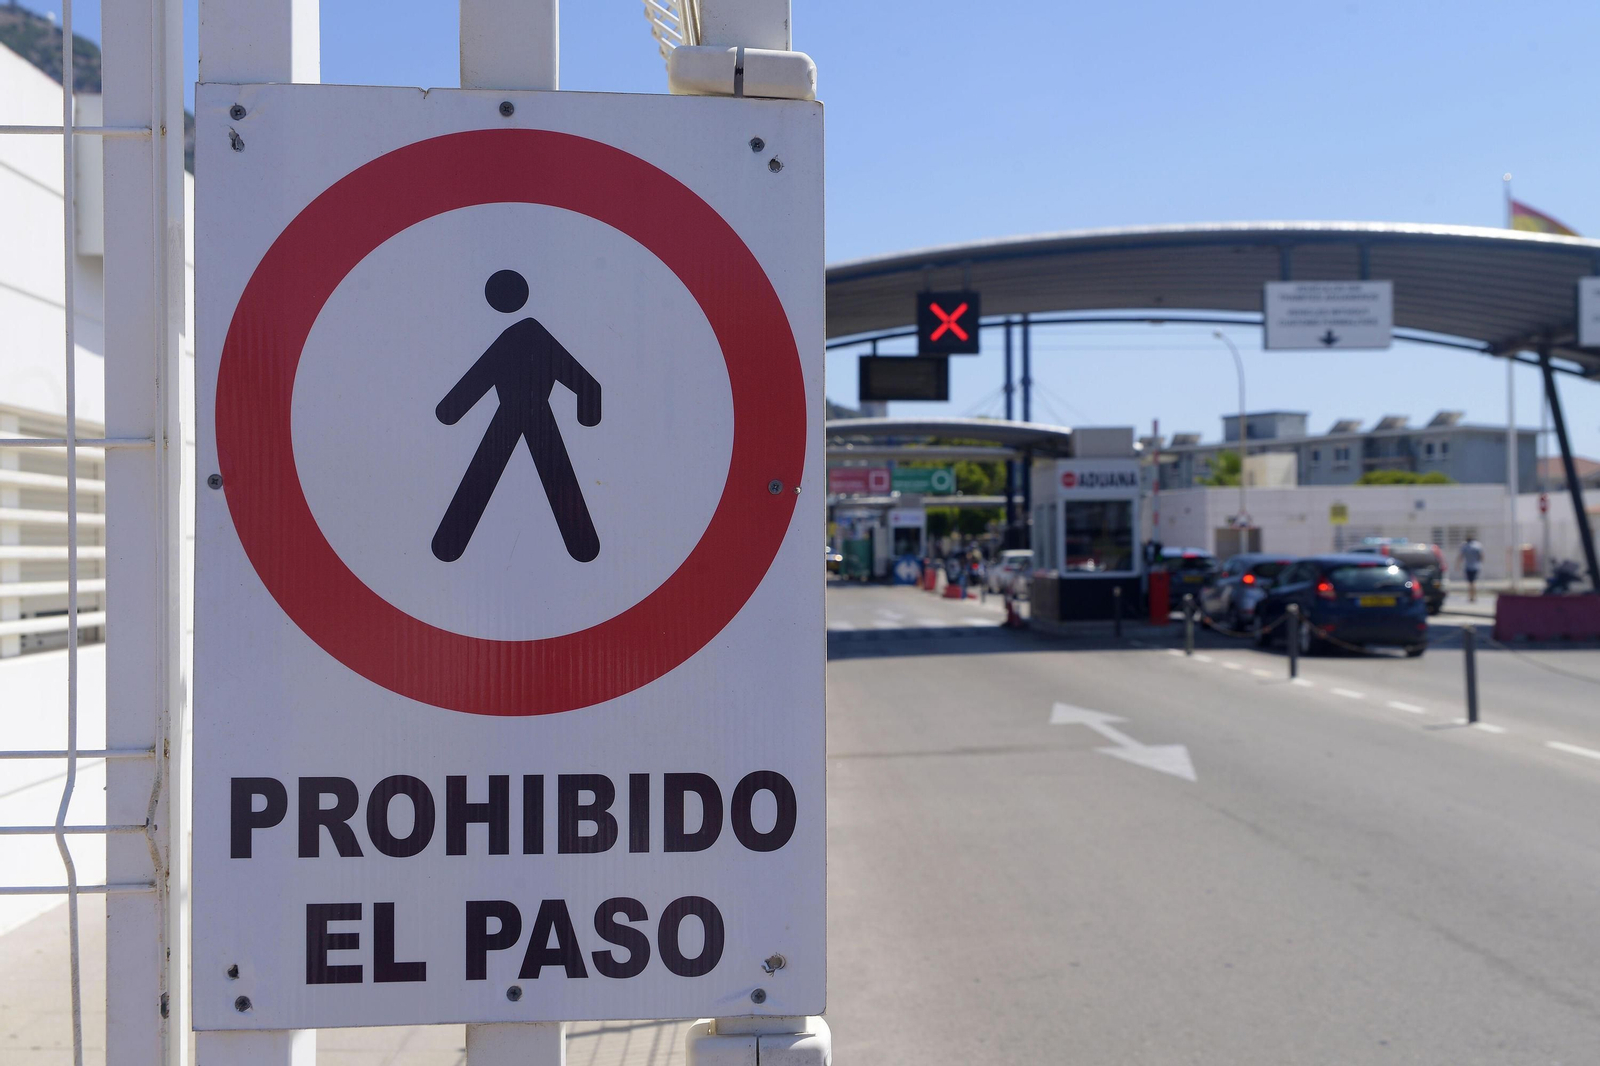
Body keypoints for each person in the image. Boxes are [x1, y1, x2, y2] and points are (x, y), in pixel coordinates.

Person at [432, 269, 602, 564]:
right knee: (549, 475)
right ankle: (583, 547)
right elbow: (586, 384)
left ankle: (448, 546)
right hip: (527, 417)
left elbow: (586, 383)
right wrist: (587, 414)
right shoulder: (528, 338)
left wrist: (450, 411)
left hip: (519, 416)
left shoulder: (521, 337)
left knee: (495, 474)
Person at [1456, 537, 1484, 603]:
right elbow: (1481, 556)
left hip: (1468, 566)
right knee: (1473, 582)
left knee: (1471, 583)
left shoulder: (1465, 546)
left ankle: (1471, 596)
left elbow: (1461, 556)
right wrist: (1480, 562)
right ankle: (1473, 596)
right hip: (1476, 566)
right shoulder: (1477, 546)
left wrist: (1458, 565)